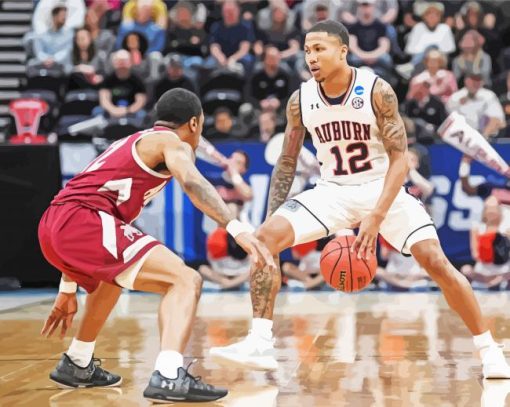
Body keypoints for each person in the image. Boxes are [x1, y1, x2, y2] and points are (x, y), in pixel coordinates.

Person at [209, 20, 510, 379]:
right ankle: (260, 342)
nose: (311, 57)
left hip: (381, 188)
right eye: (307, 50)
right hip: (332, 190)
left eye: (319, 49)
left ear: (342, 51)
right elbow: (287, 160)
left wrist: (376, 216)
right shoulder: (300, 99)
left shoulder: (375, 90)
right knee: (262, 241)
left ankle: (490, 351)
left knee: (436, 262)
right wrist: (274, 218)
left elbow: (400, 159)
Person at [38, 88, 275, 402]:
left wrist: (68, 290)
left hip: (56, 222)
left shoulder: (131, 141)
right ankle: (169, 373)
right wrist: (235, 227)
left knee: (113, 280)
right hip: (84, 220)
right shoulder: (171, 142)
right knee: (185, 279)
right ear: (194, 124)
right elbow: (191, 181)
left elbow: (78, 203)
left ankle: (78, 361)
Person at [461, 196, 510, 289]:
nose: (491, 212)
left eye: (494, 209)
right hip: (484, 271)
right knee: (466, 269)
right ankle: (492, 282)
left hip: (505, 270)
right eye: (488, 208)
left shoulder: (507, 227)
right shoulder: (477, 227)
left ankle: (498, 281)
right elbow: (475, 255)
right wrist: (487, 243)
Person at [447, 70, 505, 138]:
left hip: (486, 137)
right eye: (472, 80)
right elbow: (450, 119)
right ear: (466, 81)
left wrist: (483, 136)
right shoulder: (456, 97)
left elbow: (497, 119)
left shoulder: (489, 95)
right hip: (461, 138)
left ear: (482, 82)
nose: (475, 83)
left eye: (478, 80)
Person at [29, 5, 74, 74]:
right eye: (62, 15)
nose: (64, 18)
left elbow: (66, 52)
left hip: (62, 65)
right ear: (54, 16)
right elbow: (39, 51)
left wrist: (54, 59)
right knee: (31, 65)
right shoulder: (42, 34)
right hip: (44, 63)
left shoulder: (69, 34)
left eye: (65, 15)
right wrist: (46, 59)